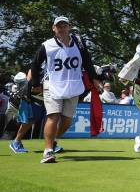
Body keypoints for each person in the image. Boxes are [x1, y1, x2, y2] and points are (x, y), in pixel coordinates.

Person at [30, 16, 102, 163]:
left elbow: (87, 61)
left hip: (73, 85)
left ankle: (54, 140)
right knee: (53, 116)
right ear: (54, 28)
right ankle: (48, 151)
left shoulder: (79, 43)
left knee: (67, 120)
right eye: (59, 26)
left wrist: (94, 78)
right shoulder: (47, 45)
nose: (62, 29)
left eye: (64, 26)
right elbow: (35, 64)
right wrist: (35, 82)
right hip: (53, 85)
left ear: (69, 27)